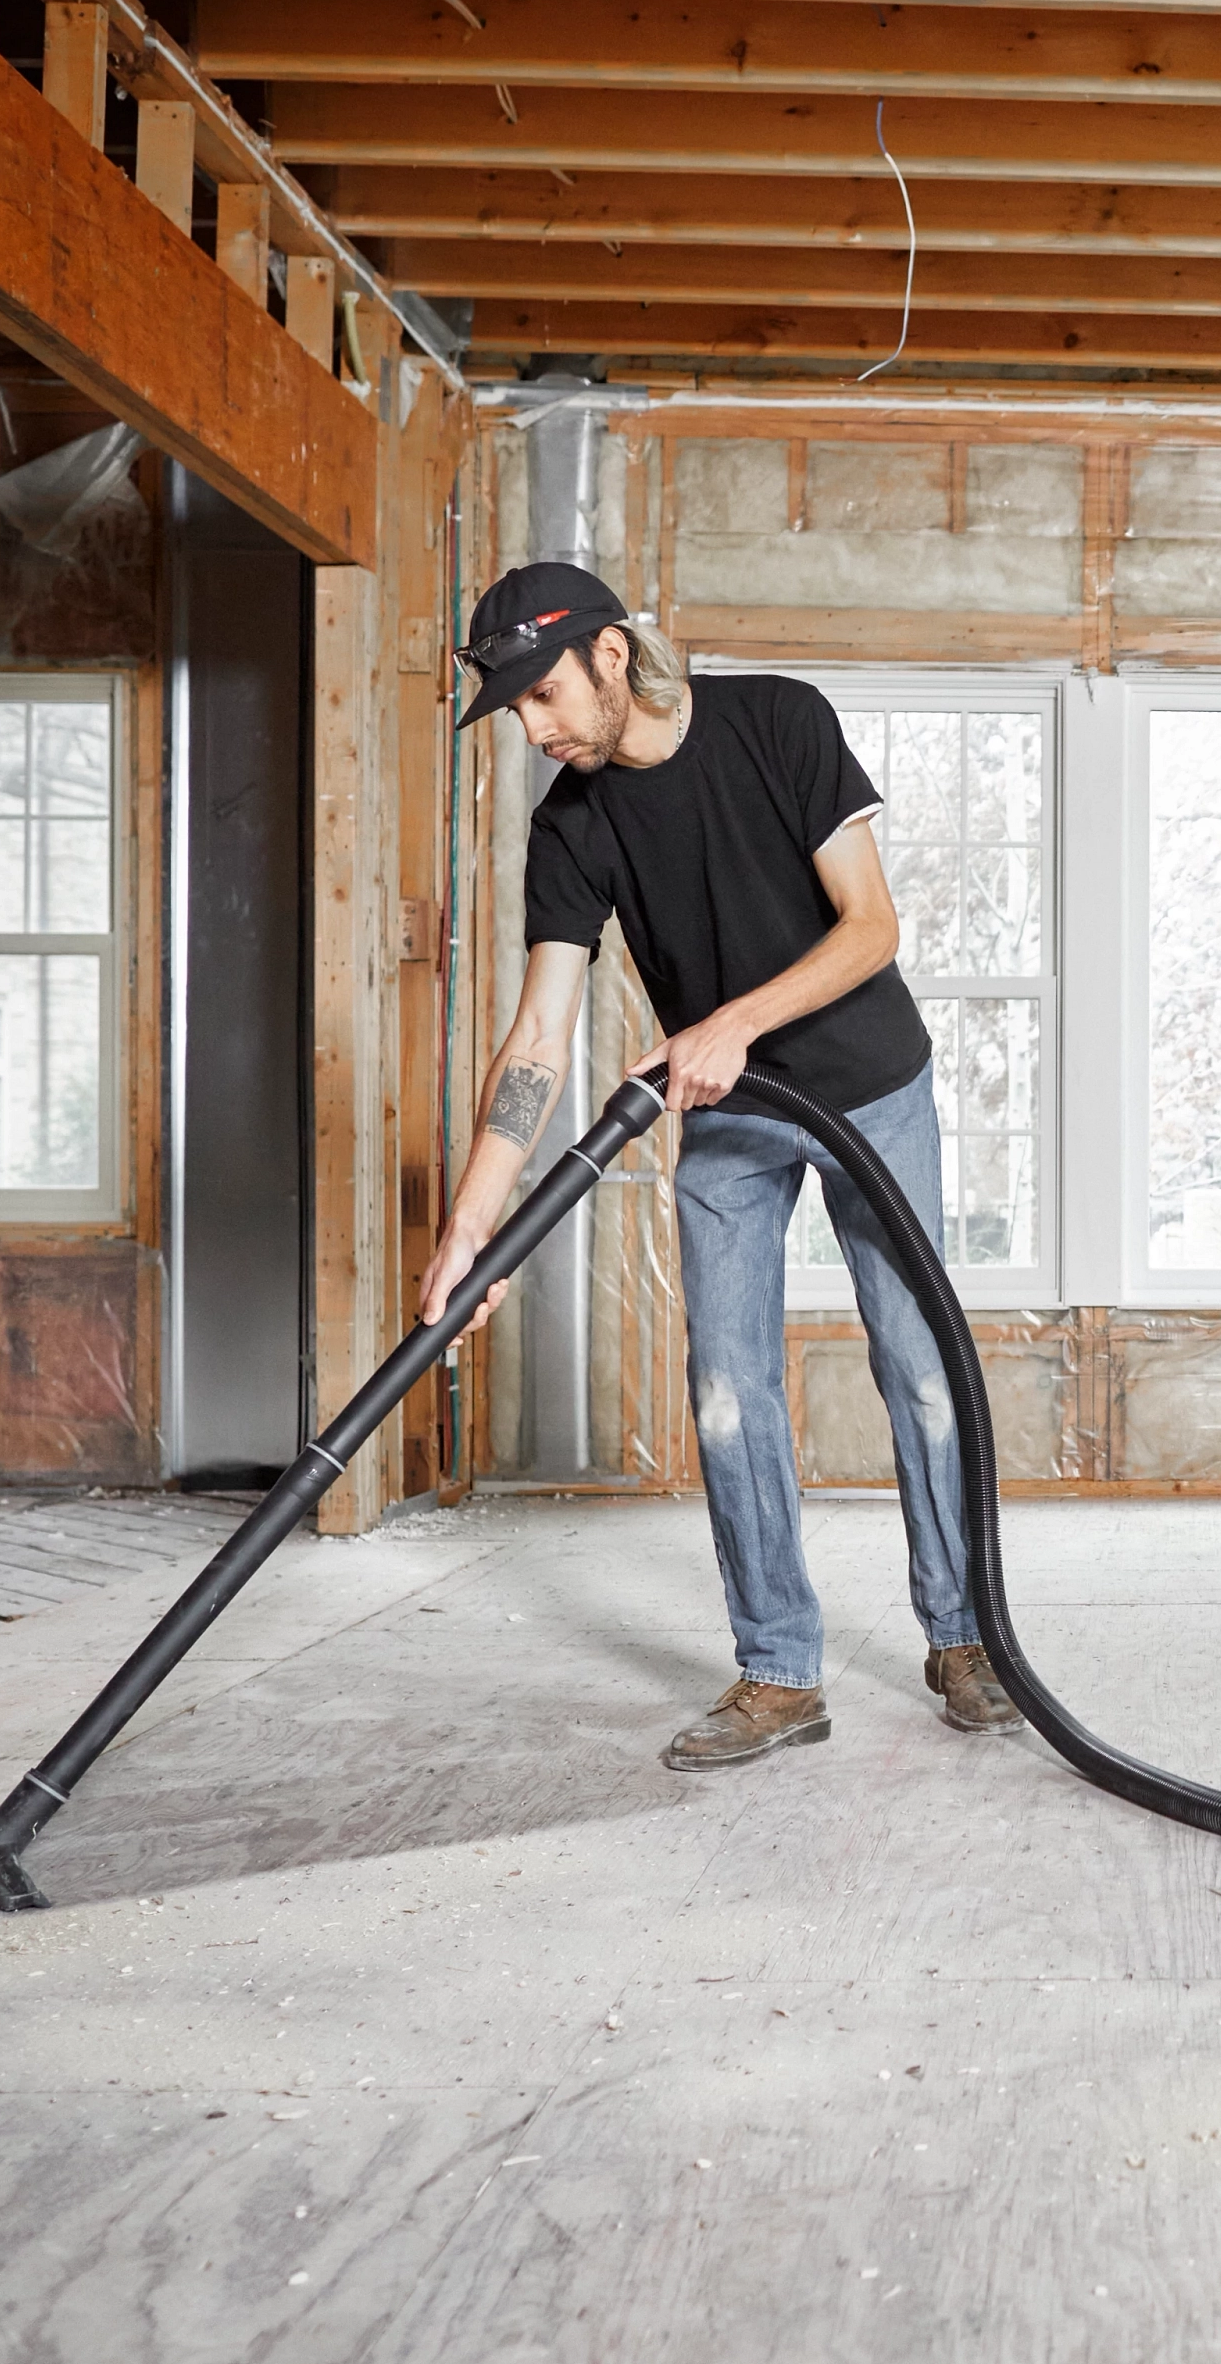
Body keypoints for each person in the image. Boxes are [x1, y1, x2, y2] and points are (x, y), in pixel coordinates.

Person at [420, 559, 1017, 1766]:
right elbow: (536, 1040)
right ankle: (780, 1673)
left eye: (541, 698)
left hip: (869, 1091)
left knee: (921, 1368)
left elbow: (872, 927)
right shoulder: (571, 826)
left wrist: (734, 1022)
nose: (534, 732)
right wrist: (468, 1232)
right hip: (730, 1120)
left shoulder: (778, 722)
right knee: (729, 1390)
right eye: (516, 711)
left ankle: (964, 1638)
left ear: (605, 655)